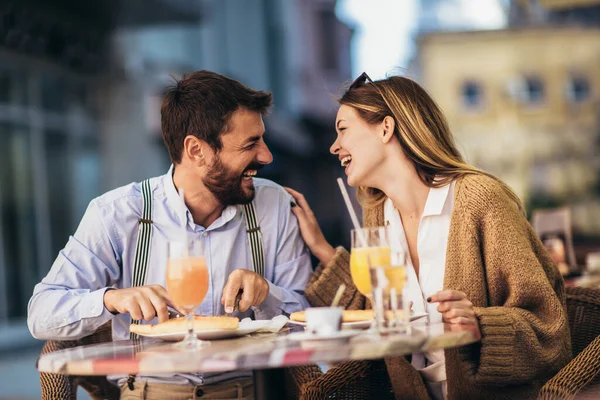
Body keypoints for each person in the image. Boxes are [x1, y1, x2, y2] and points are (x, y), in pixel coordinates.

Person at [28, 70, 312, 399]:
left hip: (246, 392)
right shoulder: (117, 213)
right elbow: (41, 313)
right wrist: (111, 299)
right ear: (196, 150)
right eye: (251, 144)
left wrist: (268, 296)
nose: (267, 156)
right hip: (148, 392)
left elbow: (306, 319)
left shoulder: (274, 205)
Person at [285, 72, 571, 400]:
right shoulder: (378, 215)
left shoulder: (479, 200)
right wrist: (321, 247)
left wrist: (480, 326)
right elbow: (371, 310)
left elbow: (550, 327)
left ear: (386, 128)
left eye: (343, 130)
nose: (334, 146)